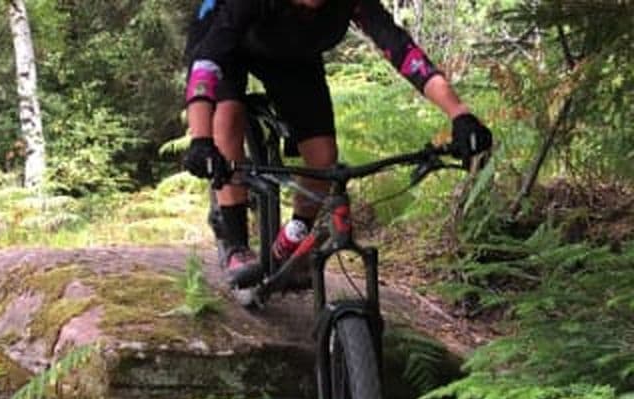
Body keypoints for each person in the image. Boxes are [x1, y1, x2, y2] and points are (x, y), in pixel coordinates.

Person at [182, 0, 493, 287]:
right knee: (227, 117)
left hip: (292, 52)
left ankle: (292, 240)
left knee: (323, 159)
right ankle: (235, 242)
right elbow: (207, 64)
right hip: (225, 41)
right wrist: (199, 140)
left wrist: (460, 114)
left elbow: (402, 51)